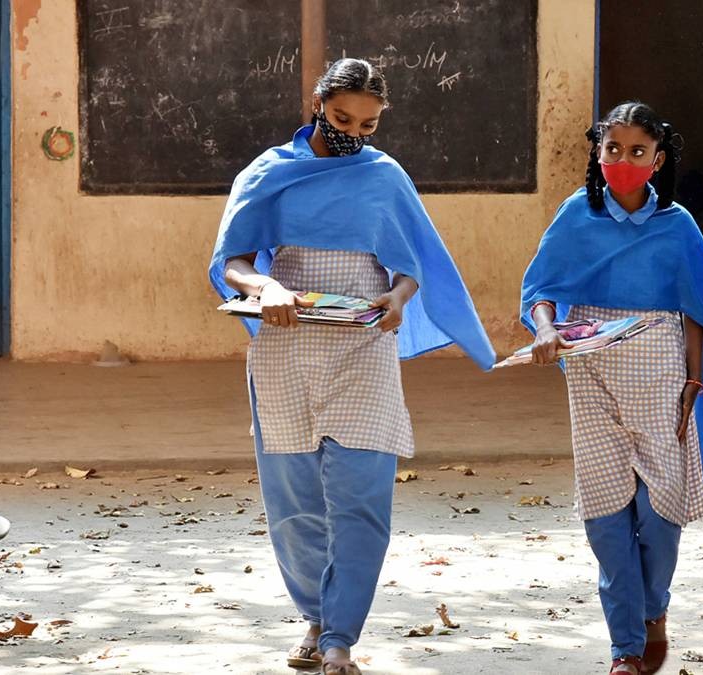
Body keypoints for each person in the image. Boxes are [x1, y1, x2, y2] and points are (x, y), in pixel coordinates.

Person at [208, 58, 495, 675]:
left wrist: (399, 298)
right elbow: (232, 262)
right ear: (317, 105)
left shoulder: (383, 175)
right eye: (341, 120)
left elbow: (411, 265)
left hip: (364, 348)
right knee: (293, 502)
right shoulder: (268, 172)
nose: (354, 134)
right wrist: (266, 287)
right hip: (286, 348)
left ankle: (340, 637)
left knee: (363, 496)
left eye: (368, 125)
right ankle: (315, 619)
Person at [520, 102, 703, 675]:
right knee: (605, 508)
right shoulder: (576, 213)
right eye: (613, 148)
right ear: (598, 151)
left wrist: (693, 380)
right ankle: (625, 648)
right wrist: (546, 329)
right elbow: (541, 288)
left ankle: (653, 607)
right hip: (591, 375)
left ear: (658, 160)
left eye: (638, 151)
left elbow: (697, 309)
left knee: (661, 510)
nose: (624, 159)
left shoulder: (677, 224)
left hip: (662, 376)